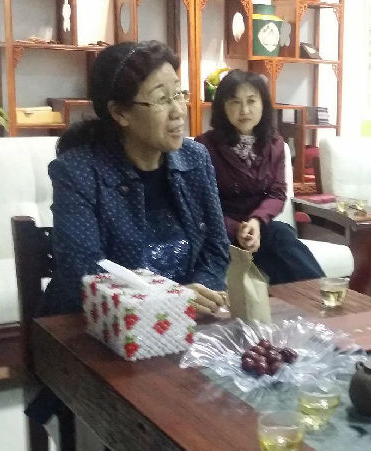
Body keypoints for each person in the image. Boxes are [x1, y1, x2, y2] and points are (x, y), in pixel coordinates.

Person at [41, 40, 229, 317]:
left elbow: (216, 248)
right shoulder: (78, 171)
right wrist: (172, 302)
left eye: (179, 94)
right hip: (93, 325)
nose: (179, 110)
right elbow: (83, 273)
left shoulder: (195, 159)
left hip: (181, 323)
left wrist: (198, 296)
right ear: (120, 112)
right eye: (162, 99)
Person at [195, 70, 324, 284]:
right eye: (235, 102)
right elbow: (202, 204)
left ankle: (319, 295)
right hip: (221, 230)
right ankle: (310, 298)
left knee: (281, 237)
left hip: (261, 226)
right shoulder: (204, 146)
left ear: (263, 104)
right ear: (222, 107)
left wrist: (255, 221)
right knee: (277, 254)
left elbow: (277, 193)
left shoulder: (275, 144)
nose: (244, 110)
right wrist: (238, 229)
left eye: (251, 101)